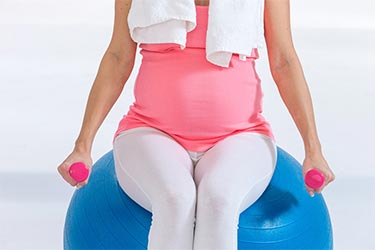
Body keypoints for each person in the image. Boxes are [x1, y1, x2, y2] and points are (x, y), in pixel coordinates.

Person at [57, 0, 335, 249]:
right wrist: (83, 146)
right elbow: (118, 57)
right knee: (176, 200)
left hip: (242, 136)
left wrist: (313, 149)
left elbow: (284, 61)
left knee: (219, 200)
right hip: (149, 131)